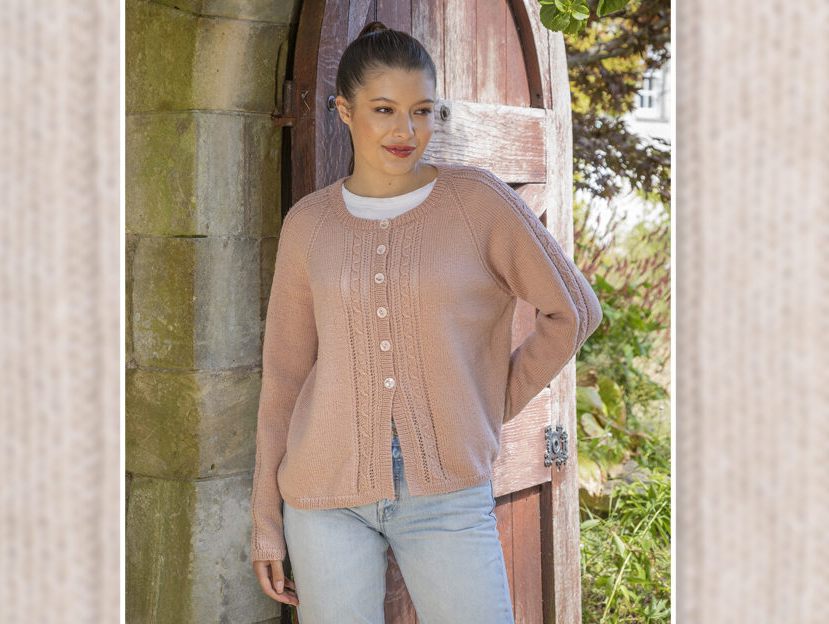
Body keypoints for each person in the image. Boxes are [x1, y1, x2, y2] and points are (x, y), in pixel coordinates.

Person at [250, 20, 603, 623]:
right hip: (322, 496)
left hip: (446, 497)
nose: (405, 130)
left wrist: (485, 404)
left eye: (422, 111)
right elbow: (285, 375)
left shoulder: (477, 202)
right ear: (343, 110)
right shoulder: (308, 225)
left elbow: (572, 311)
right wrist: (265, 523)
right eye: (384, 109)